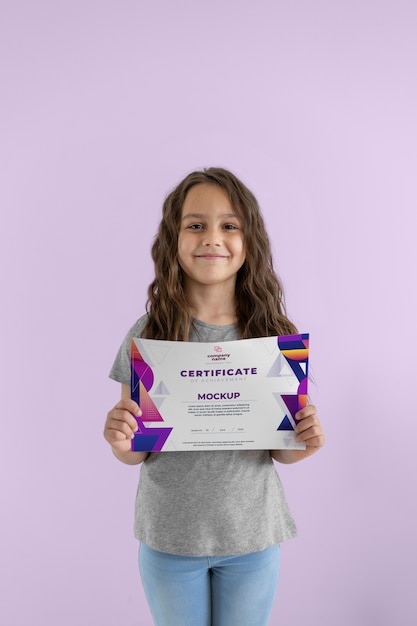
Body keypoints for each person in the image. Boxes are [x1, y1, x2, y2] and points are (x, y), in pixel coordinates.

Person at [103, 167, 325, 626]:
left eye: (229, 225)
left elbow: (279, 450)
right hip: (170, 537)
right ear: (174, 239)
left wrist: (306, 443)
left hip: (253, 537)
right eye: (195, 224)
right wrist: (121, 442)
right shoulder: (149, 336)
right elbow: (138, 452)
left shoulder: (272, 338)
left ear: (250, 240)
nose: (212, 238)